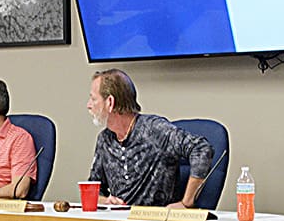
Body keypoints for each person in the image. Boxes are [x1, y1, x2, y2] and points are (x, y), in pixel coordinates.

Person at [85, 69, 214, 208]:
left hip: (157, 217)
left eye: (93, 99)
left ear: (110, 102)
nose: (88, 105)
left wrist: (187, 202)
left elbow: (201, 149)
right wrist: (107, 201)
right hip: (120, 218)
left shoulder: (155, 130)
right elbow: (93, 190)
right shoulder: (105, 139)